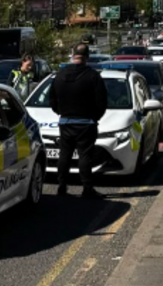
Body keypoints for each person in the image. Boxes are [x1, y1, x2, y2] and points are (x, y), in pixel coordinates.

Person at [49, 43, 107, 199]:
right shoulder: (93, 76)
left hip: (66, 121)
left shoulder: (60, 75)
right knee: (85, 156)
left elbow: (51, 99)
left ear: (72, 55)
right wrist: (95, 117)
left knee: (65, 155)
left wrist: (60, 112)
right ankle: (87, 188)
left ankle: (61, 186)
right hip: (86, 122)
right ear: (87, 57)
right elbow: (102, 102)